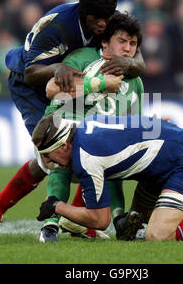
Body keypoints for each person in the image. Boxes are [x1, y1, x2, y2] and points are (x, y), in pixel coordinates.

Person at [0, 0, 146, 239]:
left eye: (106, 19)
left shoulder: (110, 20)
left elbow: (139, 63)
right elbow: (31, 73)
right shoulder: (55, 25)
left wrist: (127, 61)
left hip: (79, 83)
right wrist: (56, 69)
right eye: (96, 19)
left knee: (92, 145)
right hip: (31, 85)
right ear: (82, 11)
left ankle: (75, 217)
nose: (102, 25)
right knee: (53, 156)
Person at [34, 113, 183, 242]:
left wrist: (58, 206)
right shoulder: (88, 125)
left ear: (65, 144)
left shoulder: (85, 156)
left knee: (156, 235)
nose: (48, 162)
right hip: (163, 163)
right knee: (133, 232)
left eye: (48, 155)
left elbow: (100, 220)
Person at [38, 12, 144, 242]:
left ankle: (120, 221)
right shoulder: (82, 59)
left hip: (99, 149)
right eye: (122, 41)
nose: (127, 49)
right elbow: (52, 90)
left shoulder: (135, 82)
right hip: (60, 136)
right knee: (66, 149)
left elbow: (133, 124)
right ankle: (49, 226)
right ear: (105, 42)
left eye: (133, 43)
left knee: (120, 151)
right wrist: (99, 84)